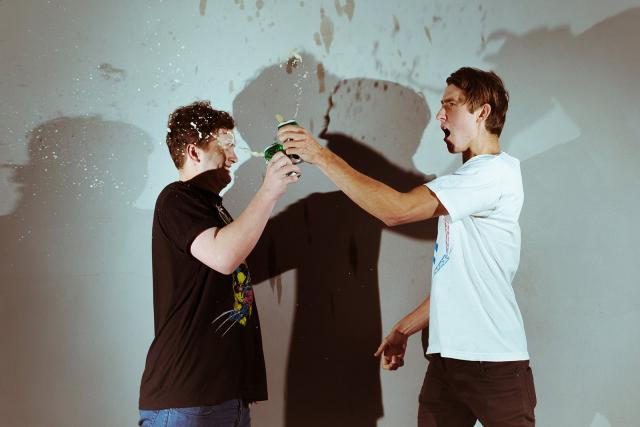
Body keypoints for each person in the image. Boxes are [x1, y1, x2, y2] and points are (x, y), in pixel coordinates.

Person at [278, 67, 536, 426]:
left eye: (450, 104)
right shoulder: (464, 185)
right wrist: (405, 328)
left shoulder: (491, 174)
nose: (440, 115)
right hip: (446, 364)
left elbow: (396, 210)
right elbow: (459, 282)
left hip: (493, 363)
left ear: (482, 113)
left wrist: (320, 156)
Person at [138, 101, 300, 427]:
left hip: (224, 401)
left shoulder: (214, 209)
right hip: (188, 402)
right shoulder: (176, 198)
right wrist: (269, 190)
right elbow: (225, 257)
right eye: (225, 146)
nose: (235, 157)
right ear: (194, 152)